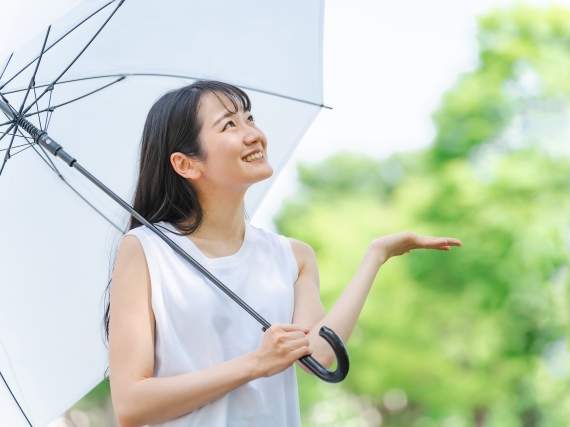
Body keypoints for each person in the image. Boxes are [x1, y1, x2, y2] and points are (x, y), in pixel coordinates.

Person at [106, 80, 461, 427]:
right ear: (186, 164)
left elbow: (320, 355)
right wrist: (255, 363)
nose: (253, 133)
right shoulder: (146, 250)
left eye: (249, 118)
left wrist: (376, 256)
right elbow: (131, 405)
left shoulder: (293, 256)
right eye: (229, 124)